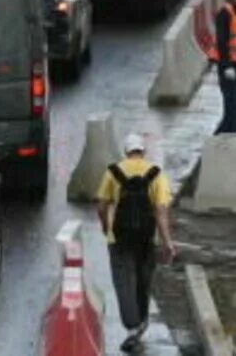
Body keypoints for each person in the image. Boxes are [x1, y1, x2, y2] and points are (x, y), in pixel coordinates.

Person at [96, 132, 176, 352]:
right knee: (143, 281)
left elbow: (102, 205)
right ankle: (140, 323)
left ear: (126, 151)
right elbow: (161, 211)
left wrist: (106, 227)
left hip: (119, 238)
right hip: (147, 238)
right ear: (143, 151)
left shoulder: (113, 172)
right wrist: (167, 242)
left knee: (124, 283)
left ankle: (131, 327)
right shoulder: (156, 174)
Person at [210, 0, 236, 135]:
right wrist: (226, 66)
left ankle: (227, 133)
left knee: (235, 103)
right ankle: (223, 135)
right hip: (226, 66)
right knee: (231, 103)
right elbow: (222, 41)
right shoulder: (225, 13)